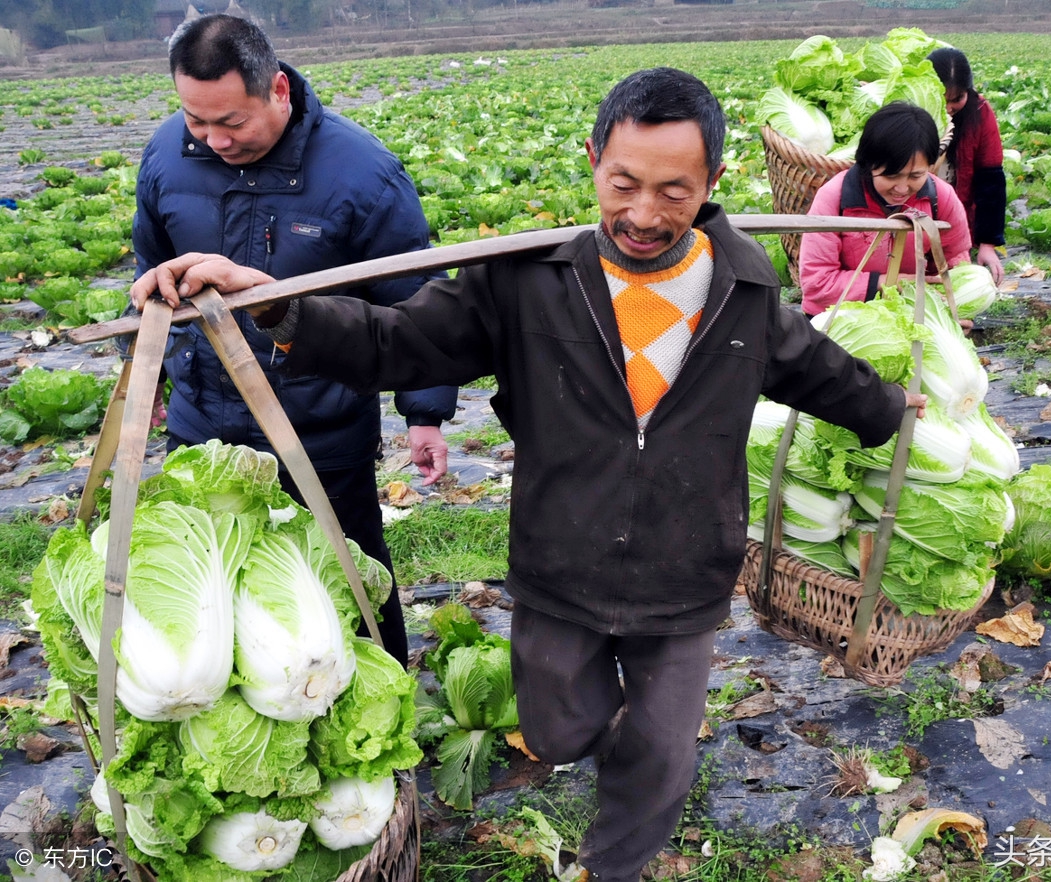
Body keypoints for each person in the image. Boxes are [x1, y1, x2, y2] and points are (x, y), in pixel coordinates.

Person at [131, 67, 926, 882]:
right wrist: (276, 306)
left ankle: (610, 864)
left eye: (674, 192)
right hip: (561, 559)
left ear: (714, 183)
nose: (644, 215)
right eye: (624, 183)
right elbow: (395, 342)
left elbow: (820, 371)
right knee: (556, 728)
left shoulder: (746, 287)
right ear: (592, 161)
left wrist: (894, 407)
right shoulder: (524, 277)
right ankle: (600, 749)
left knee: (659, 753)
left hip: (687, 566)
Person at [130, 13, 458, 667]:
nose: (213, 139)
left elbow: (417, 303)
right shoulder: (167, 154)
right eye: (197, 120)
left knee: (350, 579)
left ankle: (385, 713)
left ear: (277, 89)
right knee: (215, 592)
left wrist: (425, 413)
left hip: (320, 426)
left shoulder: (363, 174)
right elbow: (149, 265)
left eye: (231, 122)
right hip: (204, 426)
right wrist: (153, 369)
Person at [797, 101, 972, 317]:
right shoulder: (834, 198)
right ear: (868, 163)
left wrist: (956, 311)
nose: (902, 188)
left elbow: (955, 261)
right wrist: (888, 283)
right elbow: (817, 284)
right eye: (891, 176)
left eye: (916, 176)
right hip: (841, 317)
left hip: (911, 315)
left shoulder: (941, 198)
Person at [928, 47, 1007, 285]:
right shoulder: (914, 110)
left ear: (968, 92)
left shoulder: (980, 113)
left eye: (957, 99)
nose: (949, 108)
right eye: (943, 99)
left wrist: (987, 244)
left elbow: (990, 180)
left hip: (958, 220)